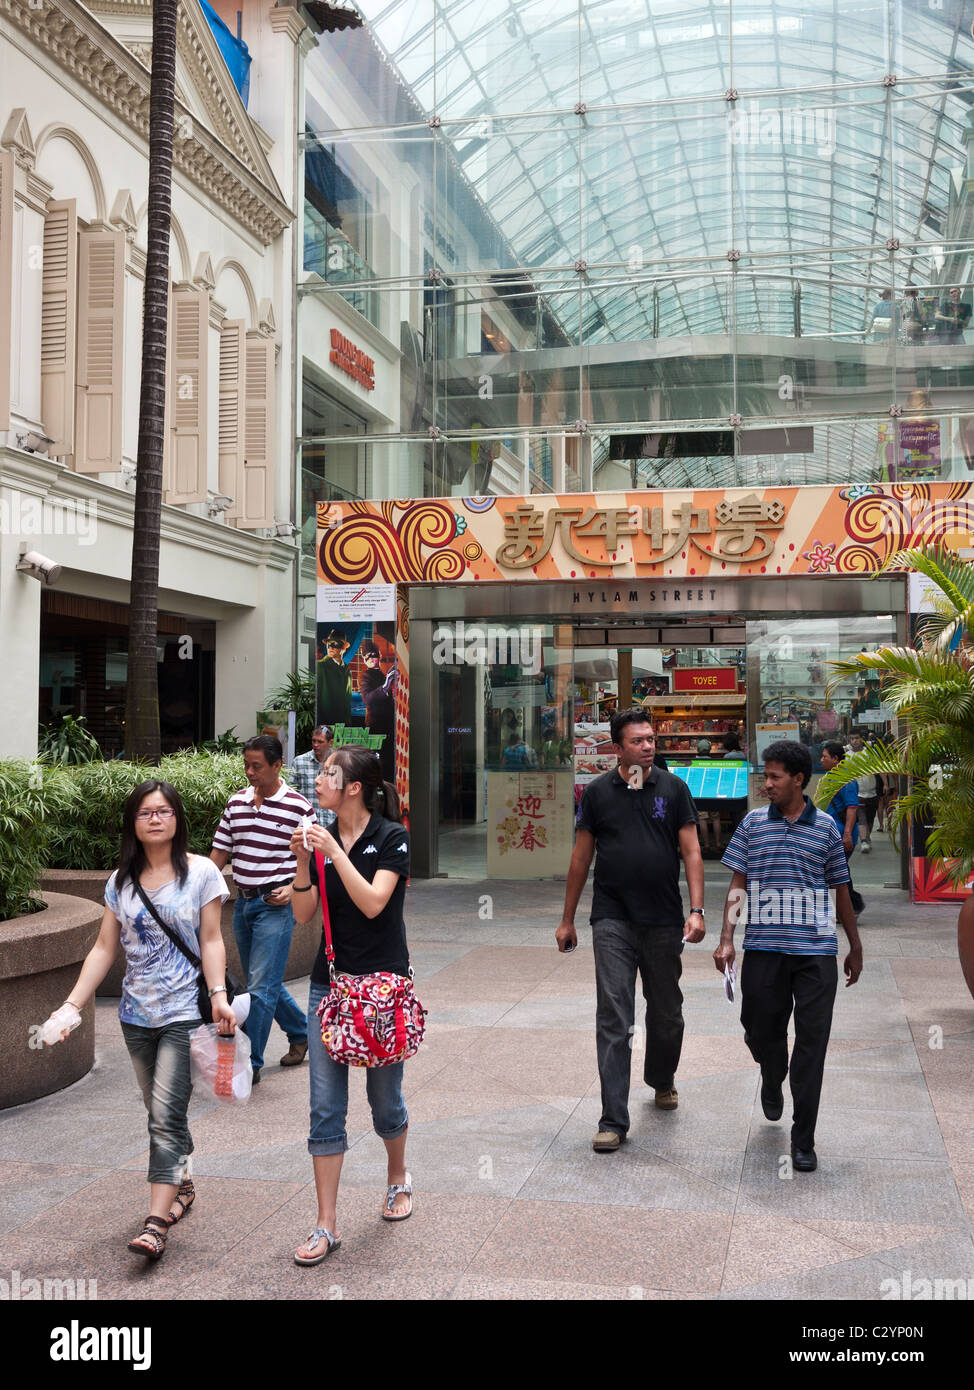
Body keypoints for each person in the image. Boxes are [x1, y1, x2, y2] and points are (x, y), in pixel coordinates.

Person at [45, 780, 236, 1260]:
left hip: (183, 1012)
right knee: (157, 1109)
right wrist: (71, 1005)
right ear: (133, 822)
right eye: (146, 812)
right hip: (135, 1014)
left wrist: (217, 994)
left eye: (165, 811)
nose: (156, 818)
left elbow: (212, 939)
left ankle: (155, 1223)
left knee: (165, 1118)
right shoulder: (120, 882)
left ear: (178, 820)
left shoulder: (202, 874)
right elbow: (105, 948)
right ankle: (183, 1181)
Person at [556, 707, 705, 1151]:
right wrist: (567, 919)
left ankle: (661, 1077)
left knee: (666, 1013)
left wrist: (696, 909)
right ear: (617, 748)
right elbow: (581, 858)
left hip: (662, 919)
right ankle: (612, 1120)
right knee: (614, 1017)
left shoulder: (674, 788)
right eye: (638, 741)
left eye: (651, 739)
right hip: (612, 918)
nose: (648, 746)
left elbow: (692, 851)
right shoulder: (598, 793)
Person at [289, 745, 414, 1263]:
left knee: (384, 1099)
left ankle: (396, 1177)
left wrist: (333, 853)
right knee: (325, 1107)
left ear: (354, 787)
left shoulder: (392, 838)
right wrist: (302, 860)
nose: (318, 779)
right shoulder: (318, 844)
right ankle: (325, 1225)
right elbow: (302, 914)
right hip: (330, 987)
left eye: (328, 773)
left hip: (382, 987)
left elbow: (372, 902)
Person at [715, 741, 863, 1172]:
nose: (767, 784)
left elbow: (840, 890)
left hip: (816, 953)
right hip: (763, 949)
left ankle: (804, 1139)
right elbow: (738, 884)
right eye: (766, 775)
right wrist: (727, 938)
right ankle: (770, 1072)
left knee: (812, 1046)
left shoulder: (827, 830)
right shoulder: (752, 824)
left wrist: (854, 944)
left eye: (775, 776)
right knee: (760, 1030)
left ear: (799, 779)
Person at [210, 735, 313, 1081]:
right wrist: (200, 894)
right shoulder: (236, 803)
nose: (249, 772)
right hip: (244, 902)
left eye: (257, 766)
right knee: (263, 982)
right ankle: (301, 1032)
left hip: (276, 906)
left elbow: (316, 858)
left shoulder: (299, 806)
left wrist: (292, 887)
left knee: (260, 986)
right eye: (246, 765)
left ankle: (249, 1064)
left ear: (277, 765)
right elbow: (219, 854)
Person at [820, 740, 865, 913]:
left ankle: (851, 905)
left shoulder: (846, 780)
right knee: (837, 872)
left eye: (825, 757)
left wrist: (847, 835)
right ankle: (849, 906)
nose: (821, 760)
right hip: (832, 835)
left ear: (835, 759)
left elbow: (852, 808)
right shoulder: (831, 777)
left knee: (838, 872)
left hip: (841, 836)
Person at [359, 640, 396, 780]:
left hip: (388, 726)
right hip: (375, 726)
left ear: (379, 655)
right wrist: (385, 687)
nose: (370, 660)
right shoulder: (364, 675)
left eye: (373, 655)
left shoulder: (381, 675)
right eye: (366, 657)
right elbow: (368, 698)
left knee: (388, 763)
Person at [291, 725, 337, 828]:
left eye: (320, 742)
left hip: (333, 824)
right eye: (313, 741)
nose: (315, 745)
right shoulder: (300, 761)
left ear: (330, 743)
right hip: (307, 824)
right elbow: (292, 793)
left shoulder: (339, 762)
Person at [317, 630, 352, 728]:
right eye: (328, 644)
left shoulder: (347, 670)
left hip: (344, 726)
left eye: (335, 644)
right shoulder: (320, 666)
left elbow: (347, 699)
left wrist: (348, 723)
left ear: (343, 647)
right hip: (326, 726)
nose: (331, 647)